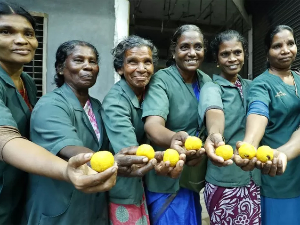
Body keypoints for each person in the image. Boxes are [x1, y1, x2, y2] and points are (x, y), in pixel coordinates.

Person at [0, 2, 118, 224]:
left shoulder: (26, 82)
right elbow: (4, 136)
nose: (21, 40)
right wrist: (67, 171)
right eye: (6, 31)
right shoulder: (51, 103)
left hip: (20, 187)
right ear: (60, 68)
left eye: (28, 33)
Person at [23, 40, 154, 225]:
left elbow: (110, 150)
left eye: (92, 61)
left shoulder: (96, 106)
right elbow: (69, 148)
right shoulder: (50, 105)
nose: (88, 66)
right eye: (78, 60)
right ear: (61, 68)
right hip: (59, 209)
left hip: (90, 207)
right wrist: (111, 161)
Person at [142, 24, 211, 225]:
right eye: (185, 47)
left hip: (192, 176)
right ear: (173, 52)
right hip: (166, 176)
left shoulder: (205, 80)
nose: (192, 53)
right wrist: (172, 138)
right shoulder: (161, 80)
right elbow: (153, 125)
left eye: (198, 47)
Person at [235, 25, 300, 225]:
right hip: (280, 175)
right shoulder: (262, 84)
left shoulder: (298, 78)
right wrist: (249, 145)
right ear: (267, 52)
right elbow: (258, 111)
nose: (285, 50)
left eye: (290, 43)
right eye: (277, 46)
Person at [199, 30, 261, 224]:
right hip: (225, 179)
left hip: (255, 180)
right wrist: (215, 134)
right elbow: (214, 111)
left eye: (237, 52)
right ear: (217, 59)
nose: (232, 58)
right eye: (225, 54)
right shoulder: (212, 87)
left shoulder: (253, 86)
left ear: (244, 55)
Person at [101, 35, 158, 225]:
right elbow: (132, 154)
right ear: (120, 68)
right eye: (133, 62)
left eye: (147, 62)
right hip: (124, 187)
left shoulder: (148, 93)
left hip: (142, 185)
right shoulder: (116, 102)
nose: (141, 69)